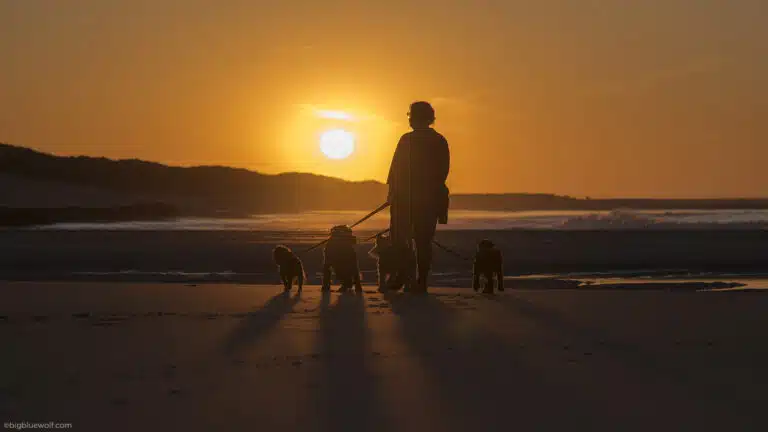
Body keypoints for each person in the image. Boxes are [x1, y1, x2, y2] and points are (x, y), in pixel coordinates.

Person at [386, 101, 450, 293]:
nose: (409, 119)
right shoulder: (439, 140)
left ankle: (403, 277)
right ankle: (420, 281)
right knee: (423, 242)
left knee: (399, 239)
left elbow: (396, 170)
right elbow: (442, 172)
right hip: (429, 200)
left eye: (410, 116)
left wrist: (393, 193)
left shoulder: (407, 140)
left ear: (414, 118)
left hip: (406, 200)